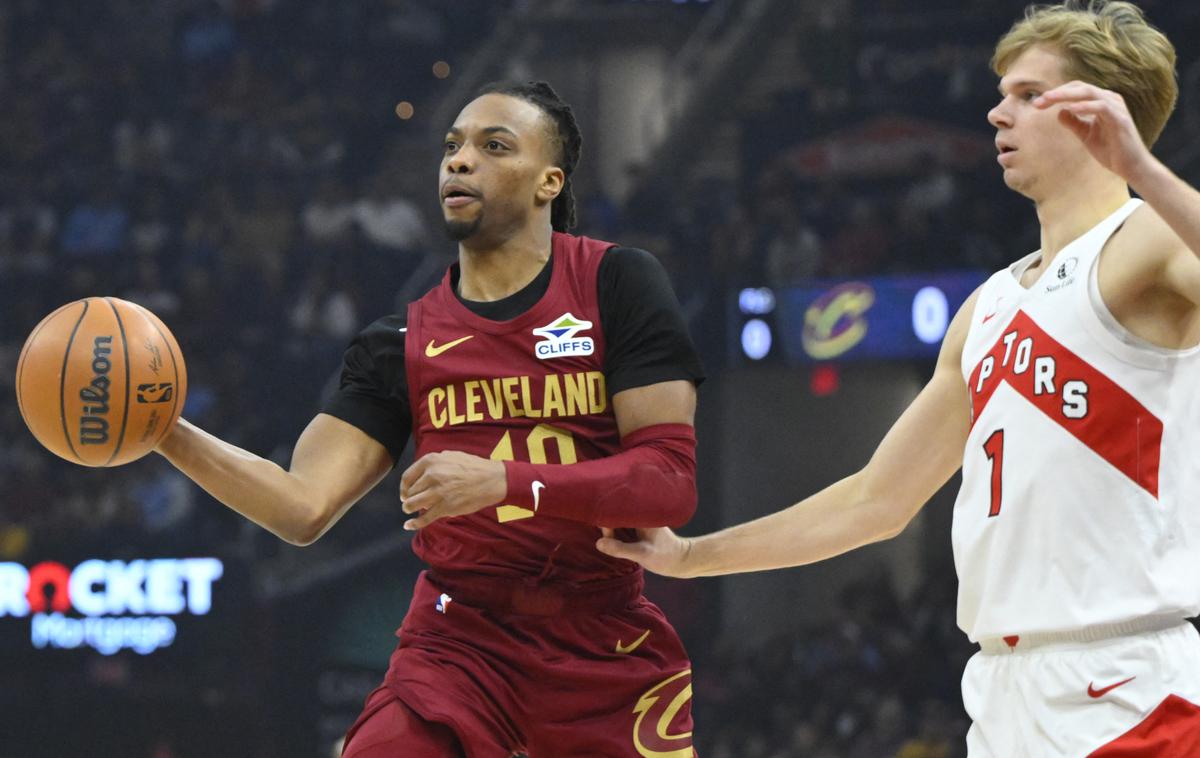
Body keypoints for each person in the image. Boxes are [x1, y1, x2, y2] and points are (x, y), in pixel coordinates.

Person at [598, 2, 1200, 755]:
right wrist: (692, 556)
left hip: (1129, 683)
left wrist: (1140, 166)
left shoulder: (1148, 240)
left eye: (1026, 94)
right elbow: (873, 500)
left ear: (1096, 113)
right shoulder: (989, 305)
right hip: (1006, 690)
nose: (995, 112)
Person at [157, 81, 704, 757]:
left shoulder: (617, 284)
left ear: (548, 183)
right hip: (458, 644)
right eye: (453, 146)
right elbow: (301, 508)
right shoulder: (400, 343)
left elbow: (668, 481)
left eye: (493, 145)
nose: (460, 159)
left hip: (602, 642)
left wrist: (504, 481)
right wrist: (165, 431)